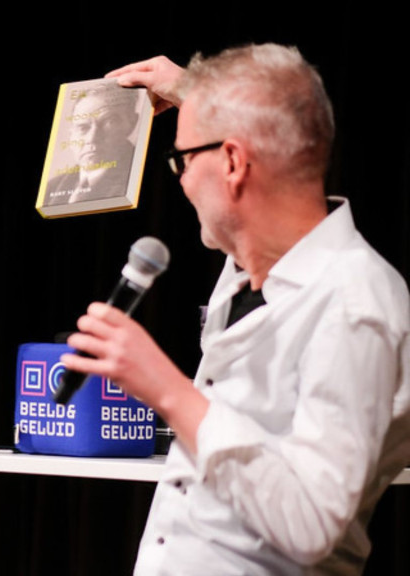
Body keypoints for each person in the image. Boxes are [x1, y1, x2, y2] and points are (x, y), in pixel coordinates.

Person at [61, 43, 410, 574]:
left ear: (231, 161)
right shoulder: (254, 271)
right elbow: (278, 137)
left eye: (182, 159)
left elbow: (314, 521)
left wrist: (169, 390)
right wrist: (195, 95)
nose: (179, 179)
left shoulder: (354, 301)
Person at [43, 82, 141, 206]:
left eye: (109, 123)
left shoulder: (140, 179)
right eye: (83, 127)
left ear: (131, 123)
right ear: (71, 133)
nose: (92, 138)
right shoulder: (52, 187)